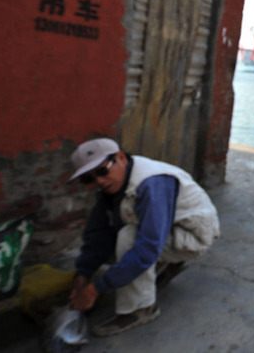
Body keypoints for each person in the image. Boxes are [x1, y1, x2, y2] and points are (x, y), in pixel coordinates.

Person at [67, 138, 220, 336]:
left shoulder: (152, 184)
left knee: (127, 237)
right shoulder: (111, 186)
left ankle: (141, 309)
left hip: (193, 236)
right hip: (167, 229)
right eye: (89, 179)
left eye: (103, 171)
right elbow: (97, 234)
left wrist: (95, 289)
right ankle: (167, 265)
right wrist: (82, 276)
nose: (99, 181)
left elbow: (147, 248)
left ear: (121, 157)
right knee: (113, 240)